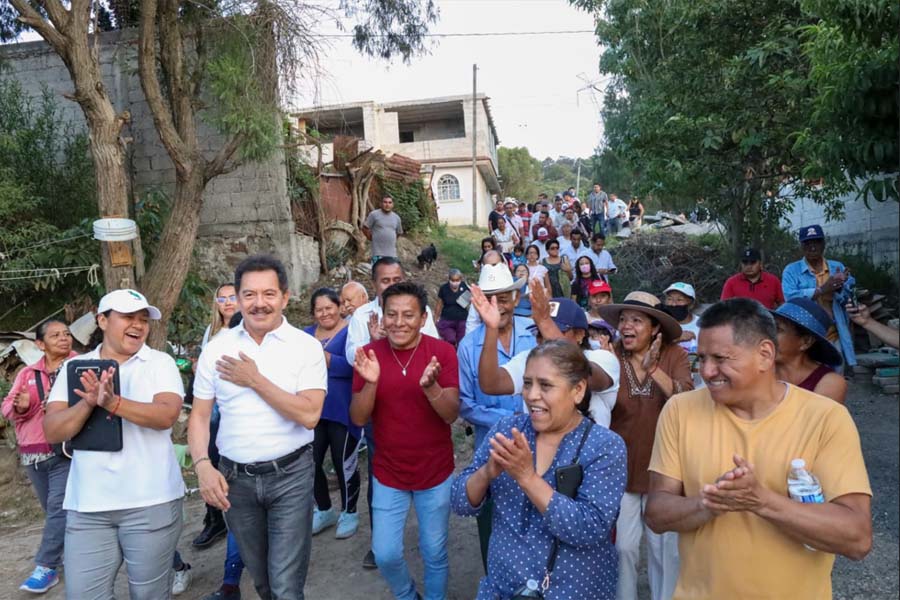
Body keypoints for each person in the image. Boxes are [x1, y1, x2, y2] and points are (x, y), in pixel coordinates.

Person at [645, 298, 872, 599]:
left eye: (721, 358)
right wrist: (707, 505)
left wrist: (761, 501)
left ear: (765, 354)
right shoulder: (680, 411)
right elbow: (657, 512)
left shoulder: (825, 419)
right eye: (701, 359)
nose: (708, 371)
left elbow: (857, 538)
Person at [189, 255, 327, 600]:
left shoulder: (305, 347)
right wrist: (203, 467)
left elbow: (310, 415)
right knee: (263, 581)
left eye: (268, 294)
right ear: (237, 298)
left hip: (291, 476)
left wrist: (255, 380)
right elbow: (200, 416)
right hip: (235, 482)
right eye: (249, 294)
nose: (259, 303)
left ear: (285, 296)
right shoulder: (217, 349)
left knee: (285, 585)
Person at [452, 340, 627, 600]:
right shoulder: (507, 429)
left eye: (545, 385)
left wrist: (527, 478)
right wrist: (487, 473)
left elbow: (590, 528)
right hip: (502, 589)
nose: (531, 395)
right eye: (527, 383)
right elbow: (459, 502)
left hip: (572, 591)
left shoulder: (605, 447)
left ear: (578, 390)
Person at [44, 289, 185, 599]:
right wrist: (88, 404)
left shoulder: (159, 363)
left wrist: (113, 402)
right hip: (88, 507)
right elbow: (53, 430)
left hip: (151, 501)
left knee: (149, 595)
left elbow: (166, 415)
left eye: (143, 319)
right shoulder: (74, 367)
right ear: (103, 320)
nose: (138, 325)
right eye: (128, 317)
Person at [350, 282, 460, 600]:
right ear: (381, 318)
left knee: (434, 551)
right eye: (392, 315)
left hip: (435, 472)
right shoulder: (369, 356)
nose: (399, 322)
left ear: (423, 317)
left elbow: (451, 414)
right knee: (384, 553)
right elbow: (358, 418)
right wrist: (370, 383)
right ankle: (407, 595)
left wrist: (431, 387)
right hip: (388, 473)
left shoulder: (441, 353)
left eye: (408, 315)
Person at [597, 291, 693, 600]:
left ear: (655, 328)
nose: (627, 326)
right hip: (620, 471)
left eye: (636, 320)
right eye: (623, 320)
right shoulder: (610, 356)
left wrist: (654, 370)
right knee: (623, 548)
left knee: (662, 550)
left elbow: (685, 401)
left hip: (663, 473)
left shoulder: (673, 355)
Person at [345, 256, 439, 569]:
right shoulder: (362, 315)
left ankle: (432, 539)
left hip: (420, 402)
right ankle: (379, 542)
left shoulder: (417, 311)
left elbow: (434, 346)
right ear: (374, 285)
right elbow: (352, 356)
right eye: (385, 280)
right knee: (381, 471)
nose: (392, 284)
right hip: (379, 407)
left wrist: (408, 341)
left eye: (396, 278)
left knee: (430, 470)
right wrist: (377, 344)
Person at [457, 264, 537, 571]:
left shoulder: (533, 335)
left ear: (516, 298)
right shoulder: (468, 346)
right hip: (491, 450)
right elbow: (466, 404)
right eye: (489, 299)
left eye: (503, 298)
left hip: (538, 450)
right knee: (492, 527)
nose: (497, 306)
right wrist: (514, 417)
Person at [473, 282, 620, 430]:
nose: (545, 338)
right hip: (538, 451)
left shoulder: (603, 358)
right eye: (539, 333)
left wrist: (544, 321)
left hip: (591, 452)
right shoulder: (531, 361)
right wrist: (492, 328)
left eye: (556, 330)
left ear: (580, 334)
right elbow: (491, 384)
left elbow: (586, 374)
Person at [2, 319, 76, 593]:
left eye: (66, 334)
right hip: (34, 454)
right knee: (54, 512)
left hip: (68, 451)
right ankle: (70, 556)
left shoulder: (79, 365)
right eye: (55, 335)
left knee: (58, 509)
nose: (64, 338)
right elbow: (7, 407)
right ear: (40, 344)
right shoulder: (27, 374)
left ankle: (46, 567)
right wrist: (24, 406)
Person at [305, 288, 361, 539]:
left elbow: (355, 367)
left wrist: (326, 359)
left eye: (329, 307)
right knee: (311, 462)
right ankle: (324, 508)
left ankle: (350, 511)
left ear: (339, 307)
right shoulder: (305, 336)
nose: (325, 313)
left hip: (343, 409)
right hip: (312, 411)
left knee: (343, 462)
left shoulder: (352, 331)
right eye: (319, 309)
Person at [781, 224, 856, 368]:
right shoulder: (791, 270)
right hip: (806, 338)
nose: (812, 247)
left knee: (835, 380)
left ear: (823, 244)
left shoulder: (836, 267)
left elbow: (849, 298)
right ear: (802, 246)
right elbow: (791, 298)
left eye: (816, 242)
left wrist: (842, 286)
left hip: (834, 335)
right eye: (808, 243)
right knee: (809, 383)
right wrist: (822, 290)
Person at [773, 298, 848, 404]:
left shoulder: (830, 383)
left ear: (806, 342)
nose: (766, 336)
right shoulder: (760, 371)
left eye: (777, 329)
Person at [720, 248, 784, 309]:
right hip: (739, 319)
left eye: (753, 262)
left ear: (760, 264)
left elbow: (783, 304)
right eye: (745, 262)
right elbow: (723, 308)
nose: (749, 266)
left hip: (766, 319)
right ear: (741, 264)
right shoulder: (731, 283)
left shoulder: (773, 281)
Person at [435, 268, 470, 348]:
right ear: (449, 279)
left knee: (462, 342)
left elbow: (470, 302)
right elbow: (439, 304)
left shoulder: (465, 287)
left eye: (457, 280)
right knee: (450, 340)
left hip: (462, 320)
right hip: (447, 320)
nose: (455, 282)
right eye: (452, 280)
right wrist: (436, 319)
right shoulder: (444, 288)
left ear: (460, 279)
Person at [364, 196, 404, 262]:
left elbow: (399, 232)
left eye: (389, 202)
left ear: (392, 205)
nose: (387, 204)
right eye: (385, 202)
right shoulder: (374, 215)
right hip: (377, 253)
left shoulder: (397, 218)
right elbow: (365, 228)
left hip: (392, 254)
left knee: (391, 272)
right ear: (381, 204)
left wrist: (391, 239)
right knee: (377, 272)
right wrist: (370, 237)